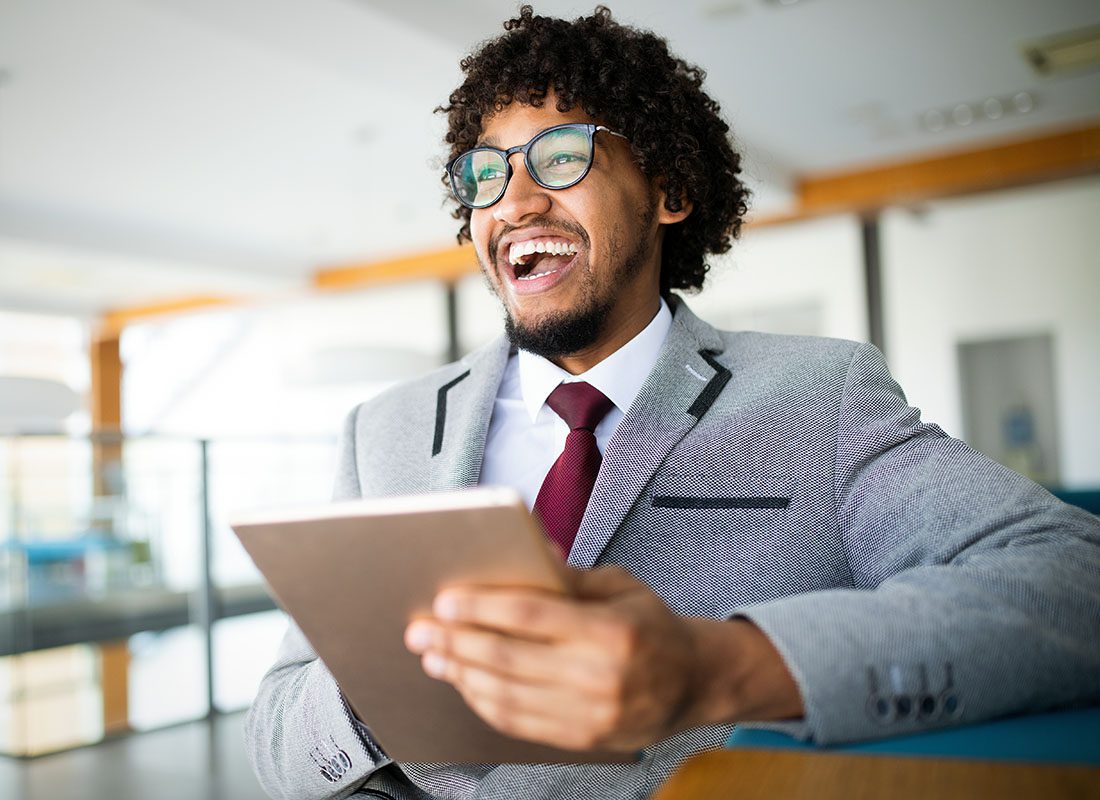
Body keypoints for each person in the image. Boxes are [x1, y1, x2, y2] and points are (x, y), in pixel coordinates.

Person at [245, 7, 1100, 799]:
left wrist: (720, 667)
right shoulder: (385, 428)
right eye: (486, 172)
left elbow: (1073, 583)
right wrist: (373, 695)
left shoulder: (820, 397)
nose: (515, 199)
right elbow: (279, 727)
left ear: (669, 191)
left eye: (561, 157)